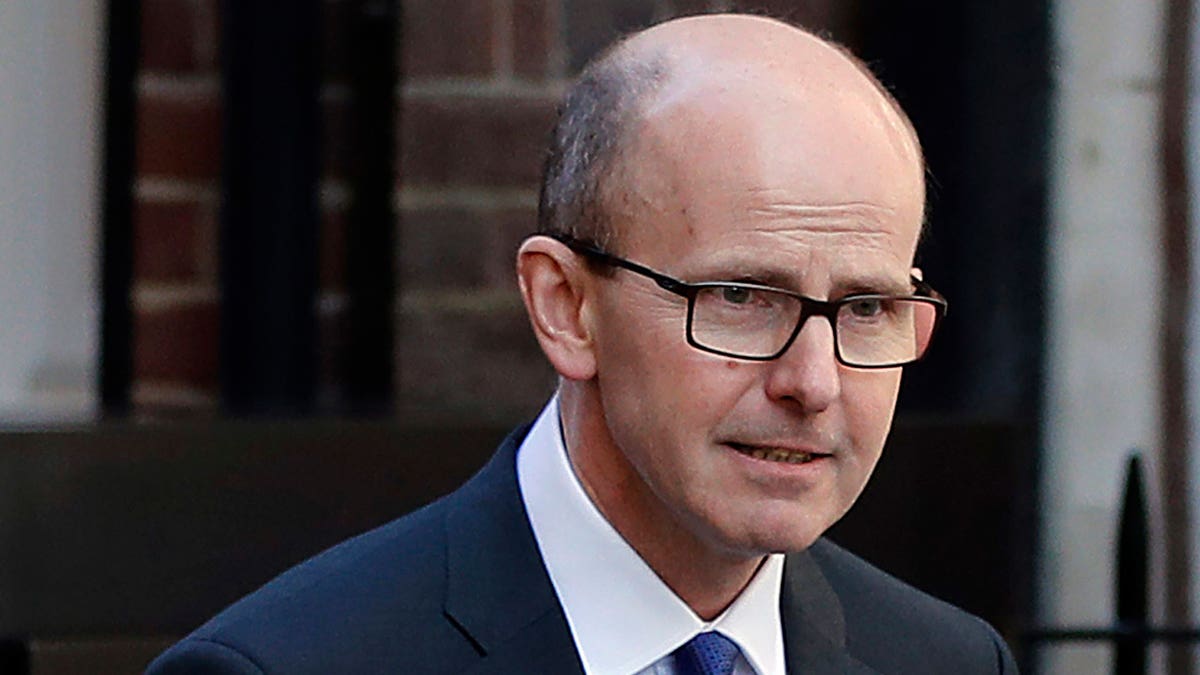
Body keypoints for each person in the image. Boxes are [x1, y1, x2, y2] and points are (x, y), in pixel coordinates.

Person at [148, 13, 1016, 675]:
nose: (814, 380)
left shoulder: (948, 659)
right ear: (565, 307)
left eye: (867, 307)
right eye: (742, 297)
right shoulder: (287, 664)